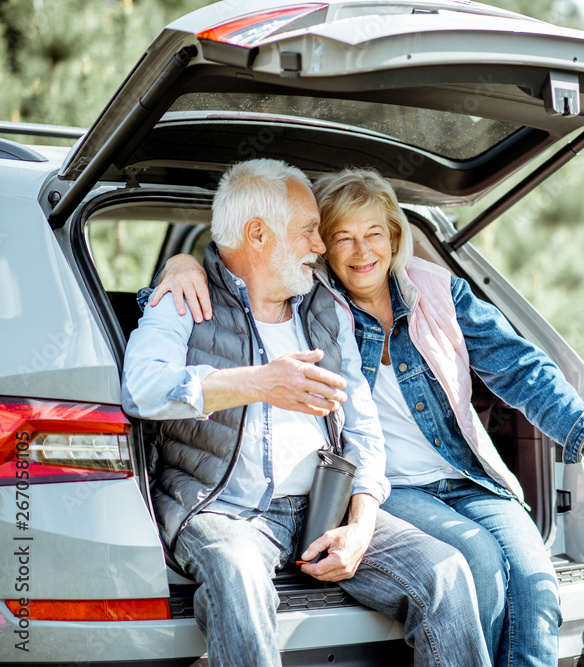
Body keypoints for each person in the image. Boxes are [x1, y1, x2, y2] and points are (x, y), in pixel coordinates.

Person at [151, 167, 584, 667]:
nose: (361, 251)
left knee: (536, 585)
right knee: (478, 564)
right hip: (392, 487)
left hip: (466, 476)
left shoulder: (437, 292)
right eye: (341, 237)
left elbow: (520, 368)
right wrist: (181, 263)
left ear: (395, 236)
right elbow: (236, 286)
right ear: (321, 246)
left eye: (374, 234)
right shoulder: (313, 301)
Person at [123, 159, 490, 667]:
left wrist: (360, 524)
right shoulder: (184, 299)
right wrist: (260, 383)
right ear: (257, 234)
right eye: (309, 232)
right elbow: (142, 388)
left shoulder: (323, 304)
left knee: (446, 573)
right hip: (225, 510)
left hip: (325, 510)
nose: (320, 247)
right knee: (238, 577)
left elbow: (362, 426)